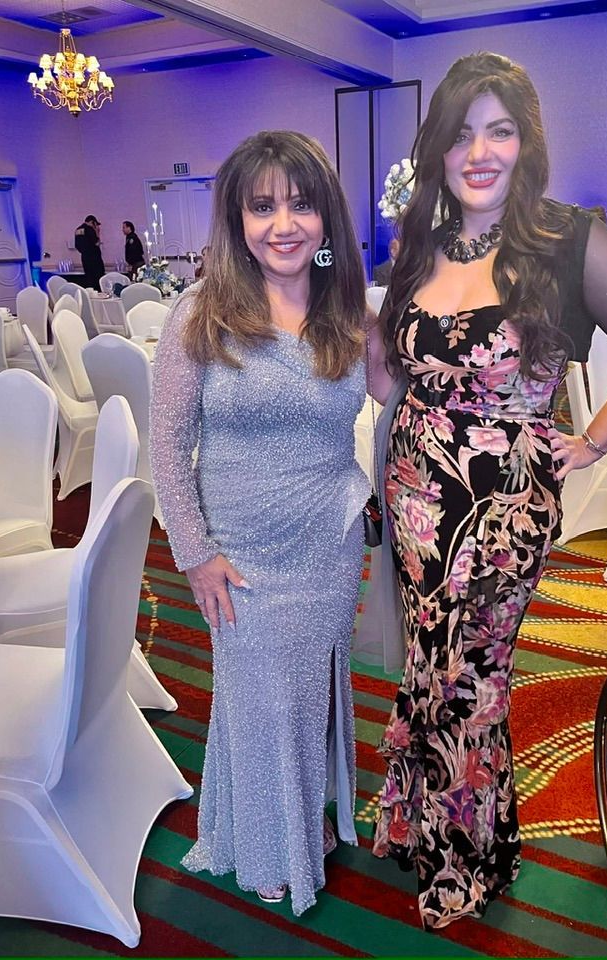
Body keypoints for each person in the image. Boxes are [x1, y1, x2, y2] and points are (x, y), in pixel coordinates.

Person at [364, 51, 607, 930]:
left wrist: (591, 439)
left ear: (525, 142)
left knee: (469, 675)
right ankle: (421, 817)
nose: (480, 152)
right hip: (417, 493)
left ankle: (463, 863)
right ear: (438, 148)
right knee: (430, 668)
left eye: (498, 131)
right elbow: (392, 368)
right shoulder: (423, 242)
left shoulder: (566, 239)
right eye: (462, 133)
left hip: (503, 507)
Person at [149, 130, 368, 915]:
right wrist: (195, 553)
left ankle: (302, 812)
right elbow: (168, 446)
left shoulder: (346, 309)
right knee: (259, 693)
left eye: (303, 204)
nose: (285, 223)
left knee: (306, 689)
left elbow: (414, 391)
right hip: (238, 552)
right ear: (236, 219)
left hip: (328, 541)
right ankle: (268, 843)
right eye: (264, 205)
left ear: (326, 219)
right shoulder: (200, 314)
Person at [74, 214, 104, 290]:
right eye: (95, 224)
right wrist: (97, 232)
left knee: (89, 277)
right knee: (97, 278)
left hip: (84, 257)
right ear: (92, 222)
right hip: (94, 258)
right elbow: (96, 242)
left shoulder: (78, 230)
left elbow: (77, 245)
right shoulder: (89, 229)